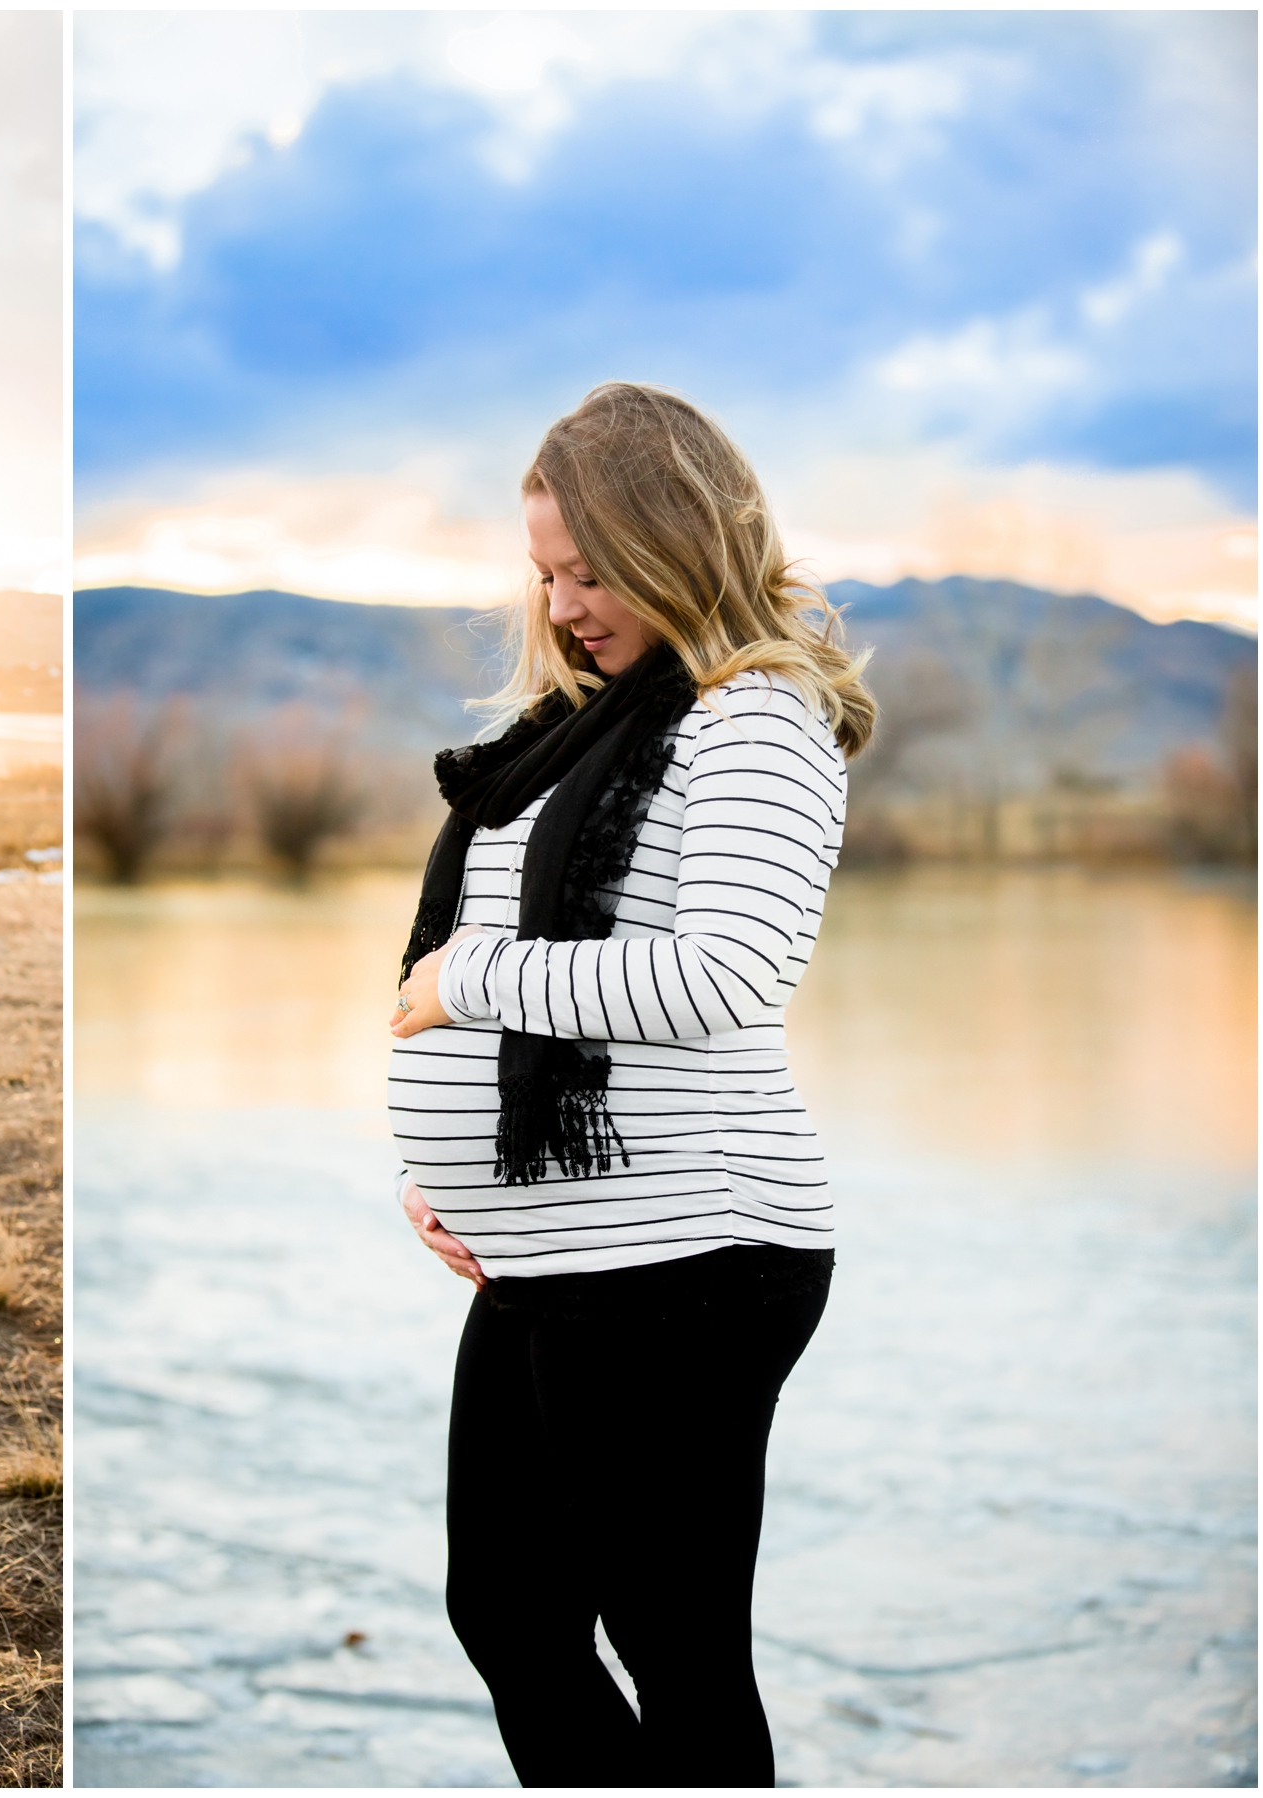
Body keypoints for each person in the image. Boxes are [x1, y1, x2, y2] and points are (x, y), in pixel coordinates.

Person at [386, 383, 875, 1787]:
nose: (563, 603)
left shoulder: (753, 721)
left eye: (593, 570)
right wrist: (437, 1169)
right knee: (509, 1612)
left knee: (675, 1642)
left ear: (679, 543)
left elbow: (722, 973)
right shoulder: (581, 733)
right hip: (559, 1250)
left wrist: (476, 976)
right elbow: (509, 992)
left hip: (691, 1256)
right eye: (544, 572)